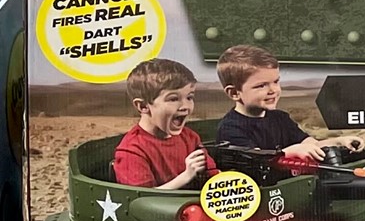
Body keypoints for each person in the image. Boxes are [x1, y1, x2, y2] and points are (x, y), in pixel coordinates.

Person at [214, 45, 338, 161]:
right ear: (234, 93)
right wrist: (289, 152)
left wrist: (338, 142)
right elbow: (256, 161)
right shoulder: (230, 129)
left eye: (276, 82)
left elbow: (309, 144)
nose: (273, 90)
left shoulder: (280, 118)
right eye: (261, 85)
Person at [112, 59, 217, 190]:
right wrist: (186, 176)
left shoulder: (190, 137)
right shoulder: (132, 150)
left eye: (189, 97)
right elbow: (142, 198)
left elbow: (213, 175)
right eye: (173, 99)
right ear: (143, 106)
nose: (185, 106)